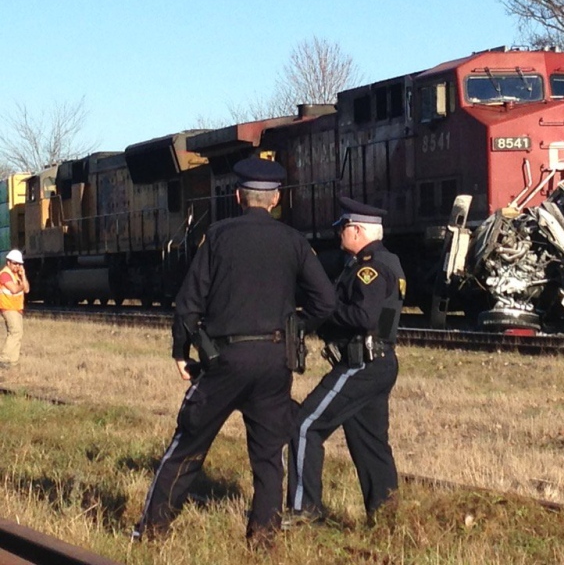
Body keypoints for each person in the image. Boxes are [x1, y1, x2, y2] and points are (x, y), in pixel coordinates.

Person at [132, 156, 336, 547]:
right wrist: (296, 329)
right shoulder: (294, 241)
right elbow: (325, 302)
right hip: (276, 361)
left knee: (188, 445)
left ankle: (151, 532)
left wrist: (181, 351)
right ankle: (263, 540)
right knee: (268, 457)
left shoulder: (218, 236)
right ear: (275, 200)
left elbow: (187, 303)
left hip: (225, 361)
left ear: (239, 196)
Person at [287, 196, 406, 527]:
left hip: (360, 363)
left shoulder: (370, 268)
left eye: (342, 228)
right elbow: (383, 321)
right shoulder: (389, 263)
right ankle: (387, 518)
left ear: (357, 230)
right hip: (379, 360)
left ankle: (304, 511)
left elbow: (364, 316)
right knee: (370, 445)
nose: (339, 234)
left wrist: (322, 314)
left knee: (305, 425)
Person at [0, 249, 30, 368]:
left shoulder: (17, 275)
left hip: (16, 308)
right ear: (8, 262)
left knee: (18, 333)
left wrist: (23, 276)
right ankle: (4, 358)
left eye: (19, 264)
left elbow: (26, 289)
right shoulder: (5, 274)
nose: (17, 266)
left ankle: (13, 361)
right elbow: (14, 289)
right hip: (8, 307)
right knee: (15, 332)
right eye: (15, 263)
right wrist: (22, 285)